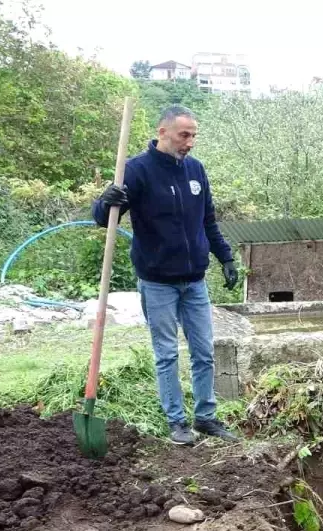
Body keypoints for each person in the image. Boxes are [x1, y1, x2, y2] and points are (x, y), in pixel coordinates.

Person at [92, 105, 240, 445]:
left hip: (194, 280)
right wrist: (105, 200)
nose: (190, 142)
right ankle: (177, 422)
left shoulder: (195, 170)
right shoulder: (136, 171)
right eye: (183, 135)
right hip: (157, 281)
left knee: (203, 351)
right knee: (167, 353)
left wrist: (226, 258)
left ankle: (206, 417)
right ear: (163, 132)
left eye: (193, 136)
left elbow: (208, 221)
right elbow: (104, 218)